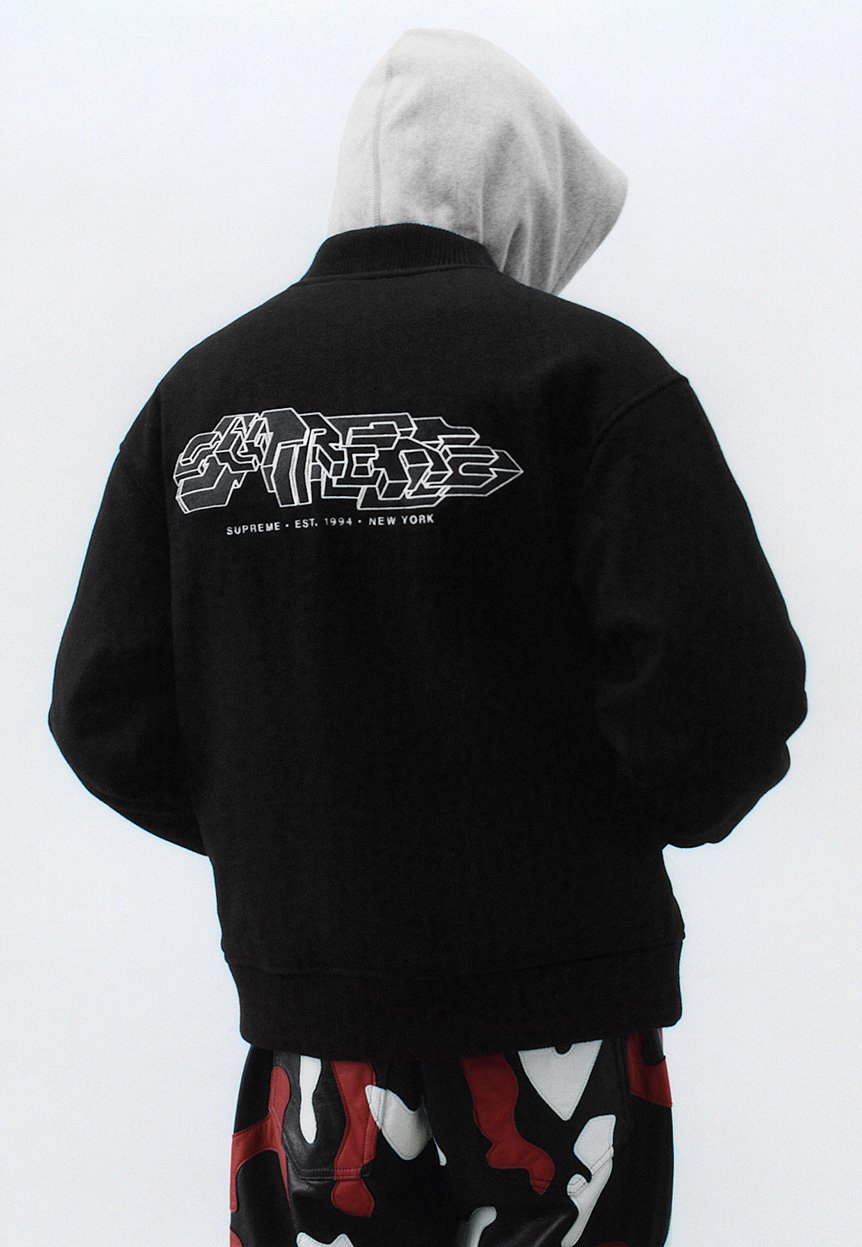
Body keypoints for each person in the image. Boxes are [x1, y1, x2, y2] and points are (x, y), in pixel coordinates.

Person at [48, 27, 807, 1247]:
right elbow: (722, 693)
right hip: (557, 1030)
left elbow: (102, 709)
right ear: (525, 193)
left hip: (316, 1040)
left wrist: (294, 840)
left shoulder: (201, 399)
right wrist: (579, 832)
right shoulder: (589, 375)